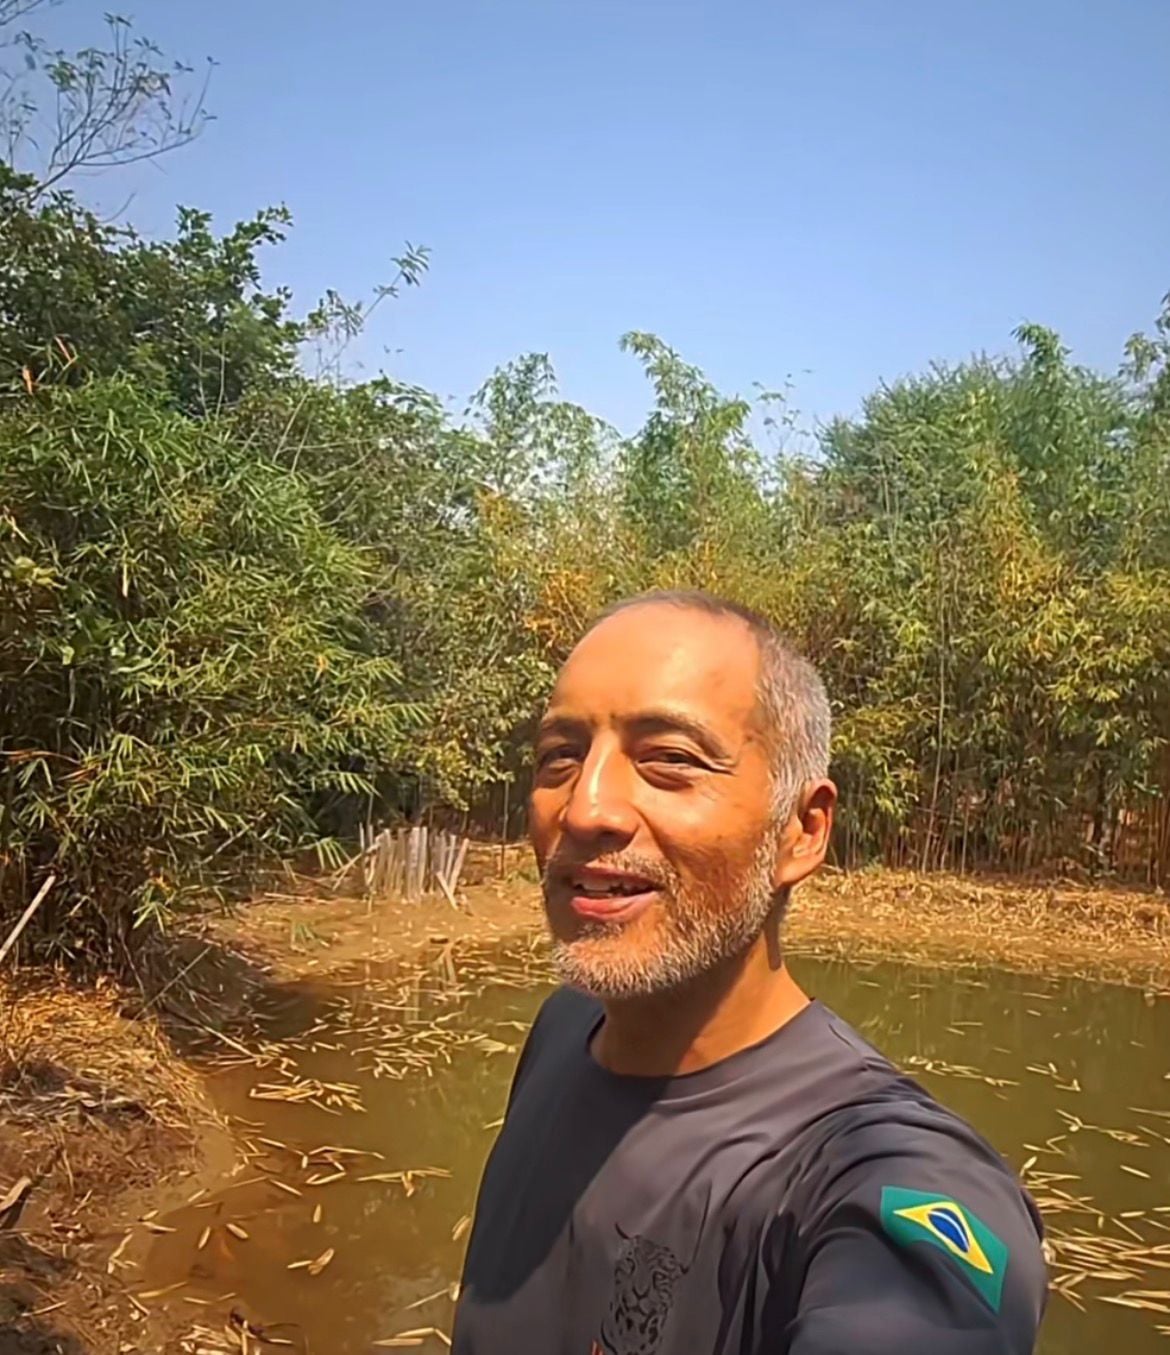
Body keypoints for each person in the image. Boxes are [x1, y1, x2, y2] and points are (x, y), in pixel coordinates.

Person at [453, 591, 1047, 1355]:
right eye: (560, 756)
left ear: (801, 832)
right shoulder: (564, 1027)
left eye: (669, 759)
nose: (585, 806)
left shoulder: (874, 1174)